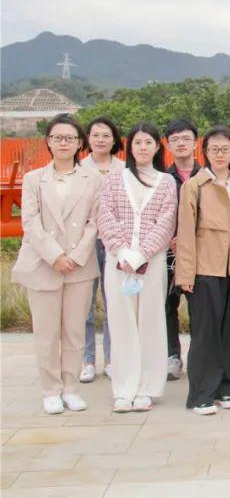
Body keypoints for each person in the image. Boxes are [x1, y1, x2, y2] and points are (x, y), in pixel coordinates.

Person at [13, 116, 101, 415]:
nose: (64, 142)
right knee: (47, 332)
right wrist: (55, 256)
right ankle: (50, 390)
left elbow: (94, 222)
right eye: (57, 137)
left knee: (74, 331)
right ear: (48, 142)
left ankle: (71, 388)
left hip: (79, 265)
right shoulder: (33, 179)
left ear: (79, 143)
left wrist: (74, 257)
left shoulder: (93, 179)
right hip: (43, 263)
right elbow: (30, 222)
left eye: (70, 138)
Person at [175, 126, 230, 416]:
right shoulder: (194, 186)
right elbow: (186, 233)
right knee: (206, 333)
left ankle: (228, 388)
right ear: (205, 152)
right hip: (205, 268)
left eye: (225, 149)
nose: (220, 154)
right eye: (214, 149)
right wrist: (185, 275)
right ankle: (201, 394)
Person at [97, 123, 178, 412]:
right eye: (137, 142)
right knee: (121, 324)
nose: (143, 147)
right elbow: (106, 217)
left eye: (148, 142)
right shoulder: (114, 179)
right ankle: (124, 388)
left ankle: (148, 388)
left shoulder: (166, 182)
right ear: (129, 147)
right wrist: (123, 252)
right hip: (118, 262)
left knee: (151, 322)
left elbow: (166, 222)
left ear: (157, 147)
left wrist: (142, 254)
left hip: (151, 263)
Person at [79, 116, 124, 384]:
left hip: (114, 243)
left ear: (114, 140)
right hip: (85, 241)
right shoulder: (79, 168)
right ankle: (87, 360)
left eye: (106, 135)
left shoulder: (124, 169)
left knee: (113, 302)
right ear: (87, 139)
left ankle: (110, 358)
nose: (100, 140)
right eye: (95, 135)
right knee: (84, 303)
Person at [164, 118, 200, 382]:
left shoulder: (207, 176)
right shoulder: (162, 178)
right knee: (167, 306)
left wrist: (188, 239)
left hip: (199, 251)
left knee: (199, 307)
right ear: (167, 145)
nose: (180, 143)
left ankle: (199, 356)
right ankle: (172, 356)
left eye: (186, 138)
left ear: (196, 143)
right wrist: (169, 239)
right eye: (174, 139)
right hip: (166, 252)